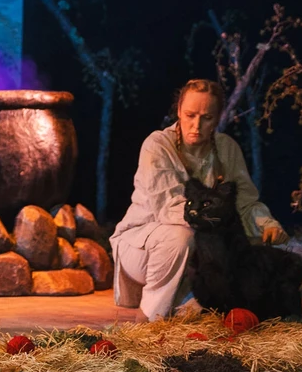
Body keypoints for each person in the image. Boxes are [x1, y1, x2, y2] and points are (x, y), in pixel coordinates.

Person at [111, 79, 290, 321]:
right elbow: (170, 209)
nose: (196, 125)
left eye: (206, 118)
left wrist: (267, 224)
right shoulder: (157, 145)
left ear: (217, 119)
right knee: (181, 236)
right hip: (143, 248)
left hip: (202, 247)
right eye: (190, 115)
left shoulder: (226, 148)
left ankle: (219, 307)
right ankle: (151, 317)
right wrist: (222, 229)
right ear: (178, 111)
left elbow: (245, 202)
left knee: (266, 245)